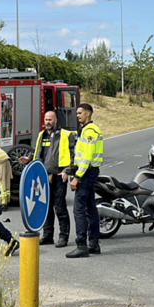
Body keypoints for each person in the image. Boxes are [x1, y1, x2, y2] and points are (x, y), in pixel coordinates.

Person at [20, 111, 75, 248]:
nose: (47, 122)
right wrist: (29, 160)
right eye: (46, 119)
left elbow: (73, 156)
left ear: (56, 121)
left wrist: (67, 171)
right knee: (46, 207)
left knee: (60, 207)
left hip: (58, 175)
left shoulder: (66, 135)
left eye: (50, 119)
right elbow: (38, 153)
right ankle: (48, 236)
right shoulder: (41, 135)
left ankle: (63, 237)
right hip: (43, 177)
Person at [63, 103, 103, 258]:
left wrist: (77, 177)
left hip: (86, 173)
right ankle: (94, 243)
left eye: (80, 113)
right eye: (77, 113)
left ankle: (81, 245)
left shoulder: (89, 131)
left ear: (88, 114)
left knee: (79, 209)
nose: (77, 115)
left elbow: (86, 157)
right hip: (90, 172)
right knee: (90, 207)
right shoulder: (88, 130)